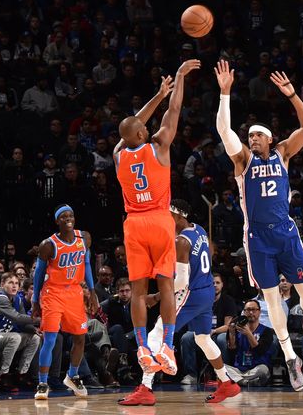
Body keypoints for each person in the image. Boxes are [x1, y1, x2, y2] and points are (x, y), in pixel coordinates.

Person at [213, 59, 303, 391]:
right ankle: (291, 357)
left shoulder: (283, 153)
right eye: (249, 136)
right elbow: (224, 131)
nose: (252, 139)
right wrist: (224, 94)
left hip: (286, 232)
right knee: (271, 300)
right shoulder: (243, 160)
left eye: (257, 136)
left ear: (269, 138)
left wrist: (293, 95)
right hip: (258, 238)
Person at [113, 60, 199, 404]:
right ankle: (166, 345)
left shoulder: (119, 156)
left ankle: (141, 347)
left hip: (133, 222)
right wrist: (175, 83)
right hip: (160, 219)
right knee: (165, 284)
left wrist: (154, 97)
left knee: (137, 291)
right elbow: (173, 111)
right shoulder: (159, 145)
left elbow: (131, 128)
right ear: (141, 136)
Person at [123, 200, 240, 406]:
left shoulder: (181, 241)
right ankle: (227, 382)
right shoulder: (200, 230)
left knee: (156, 333)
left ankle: (145, 388)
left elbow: (181, 282)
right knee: (203, 339)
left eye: (167, 214)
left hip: (191, 293)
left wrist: (157, 296)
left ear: (177, 215)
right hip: (207, 290)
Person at [31, 204, 97, 400]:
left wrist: (92, 292)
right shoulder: (48, 245)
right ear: (57, 221)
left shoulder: (84, 238)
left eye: (71, 215)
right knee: (50, 339)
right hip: (53, 293)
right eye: (64, 216)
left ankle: (72, 375)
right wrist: (35, 299)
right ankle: (43, 383)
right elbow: (39, 274)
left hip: (75, 292)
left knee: (80, 338)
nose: (68, 219)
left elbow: (86, 265)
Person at [0, 271, 40, 391]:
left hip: (3, 337)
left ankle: (22, 374)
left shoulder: (17, 299)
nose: (14, 286)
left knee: (34, 338)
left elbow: (22, 323)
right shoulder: (0, 298)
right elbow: (17, 317)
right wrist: (41, 320)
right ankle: (3, 375)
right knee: (15, 337)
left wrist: (34, 329)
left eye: (17, 283)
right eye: (10, 282)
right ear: (2, 284)